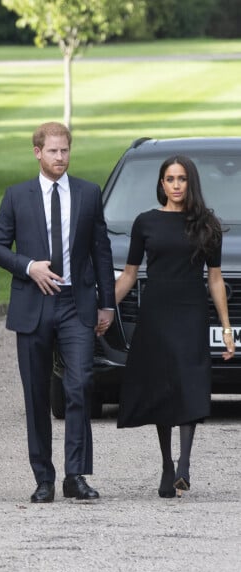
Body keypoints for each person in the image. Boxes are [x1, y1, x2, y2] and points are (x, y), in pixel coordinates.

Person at [0, 122, 115, 503]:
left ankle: (75, 475)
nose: (60, 158)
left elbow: (101, 251)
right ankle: (43, 477)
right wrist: (30, 267)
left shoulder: (88, 193)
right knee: (37, 394)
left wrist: (106, 303)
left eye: (65, 151)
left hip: (76, 303)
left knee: (79, 386)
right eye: (53, 151)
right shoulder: (16, 196)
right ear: (37, 152)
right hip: (33, 304)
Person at [114, 155, 235, 498]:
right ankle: (167, 465)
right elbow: (129, 274)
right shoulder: (145, 222)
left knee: (189, 381)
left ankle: (184, 463)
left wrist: (226, 328)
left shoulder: (207, 224)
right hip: (156, 313)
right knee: (162, 386)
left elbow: (215, 278)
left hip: (191, 312)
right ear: (162, 184)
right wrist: (103, 309)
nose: (176, 185)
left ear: (190, 182)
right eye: (170, 179)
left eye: (182, 178)